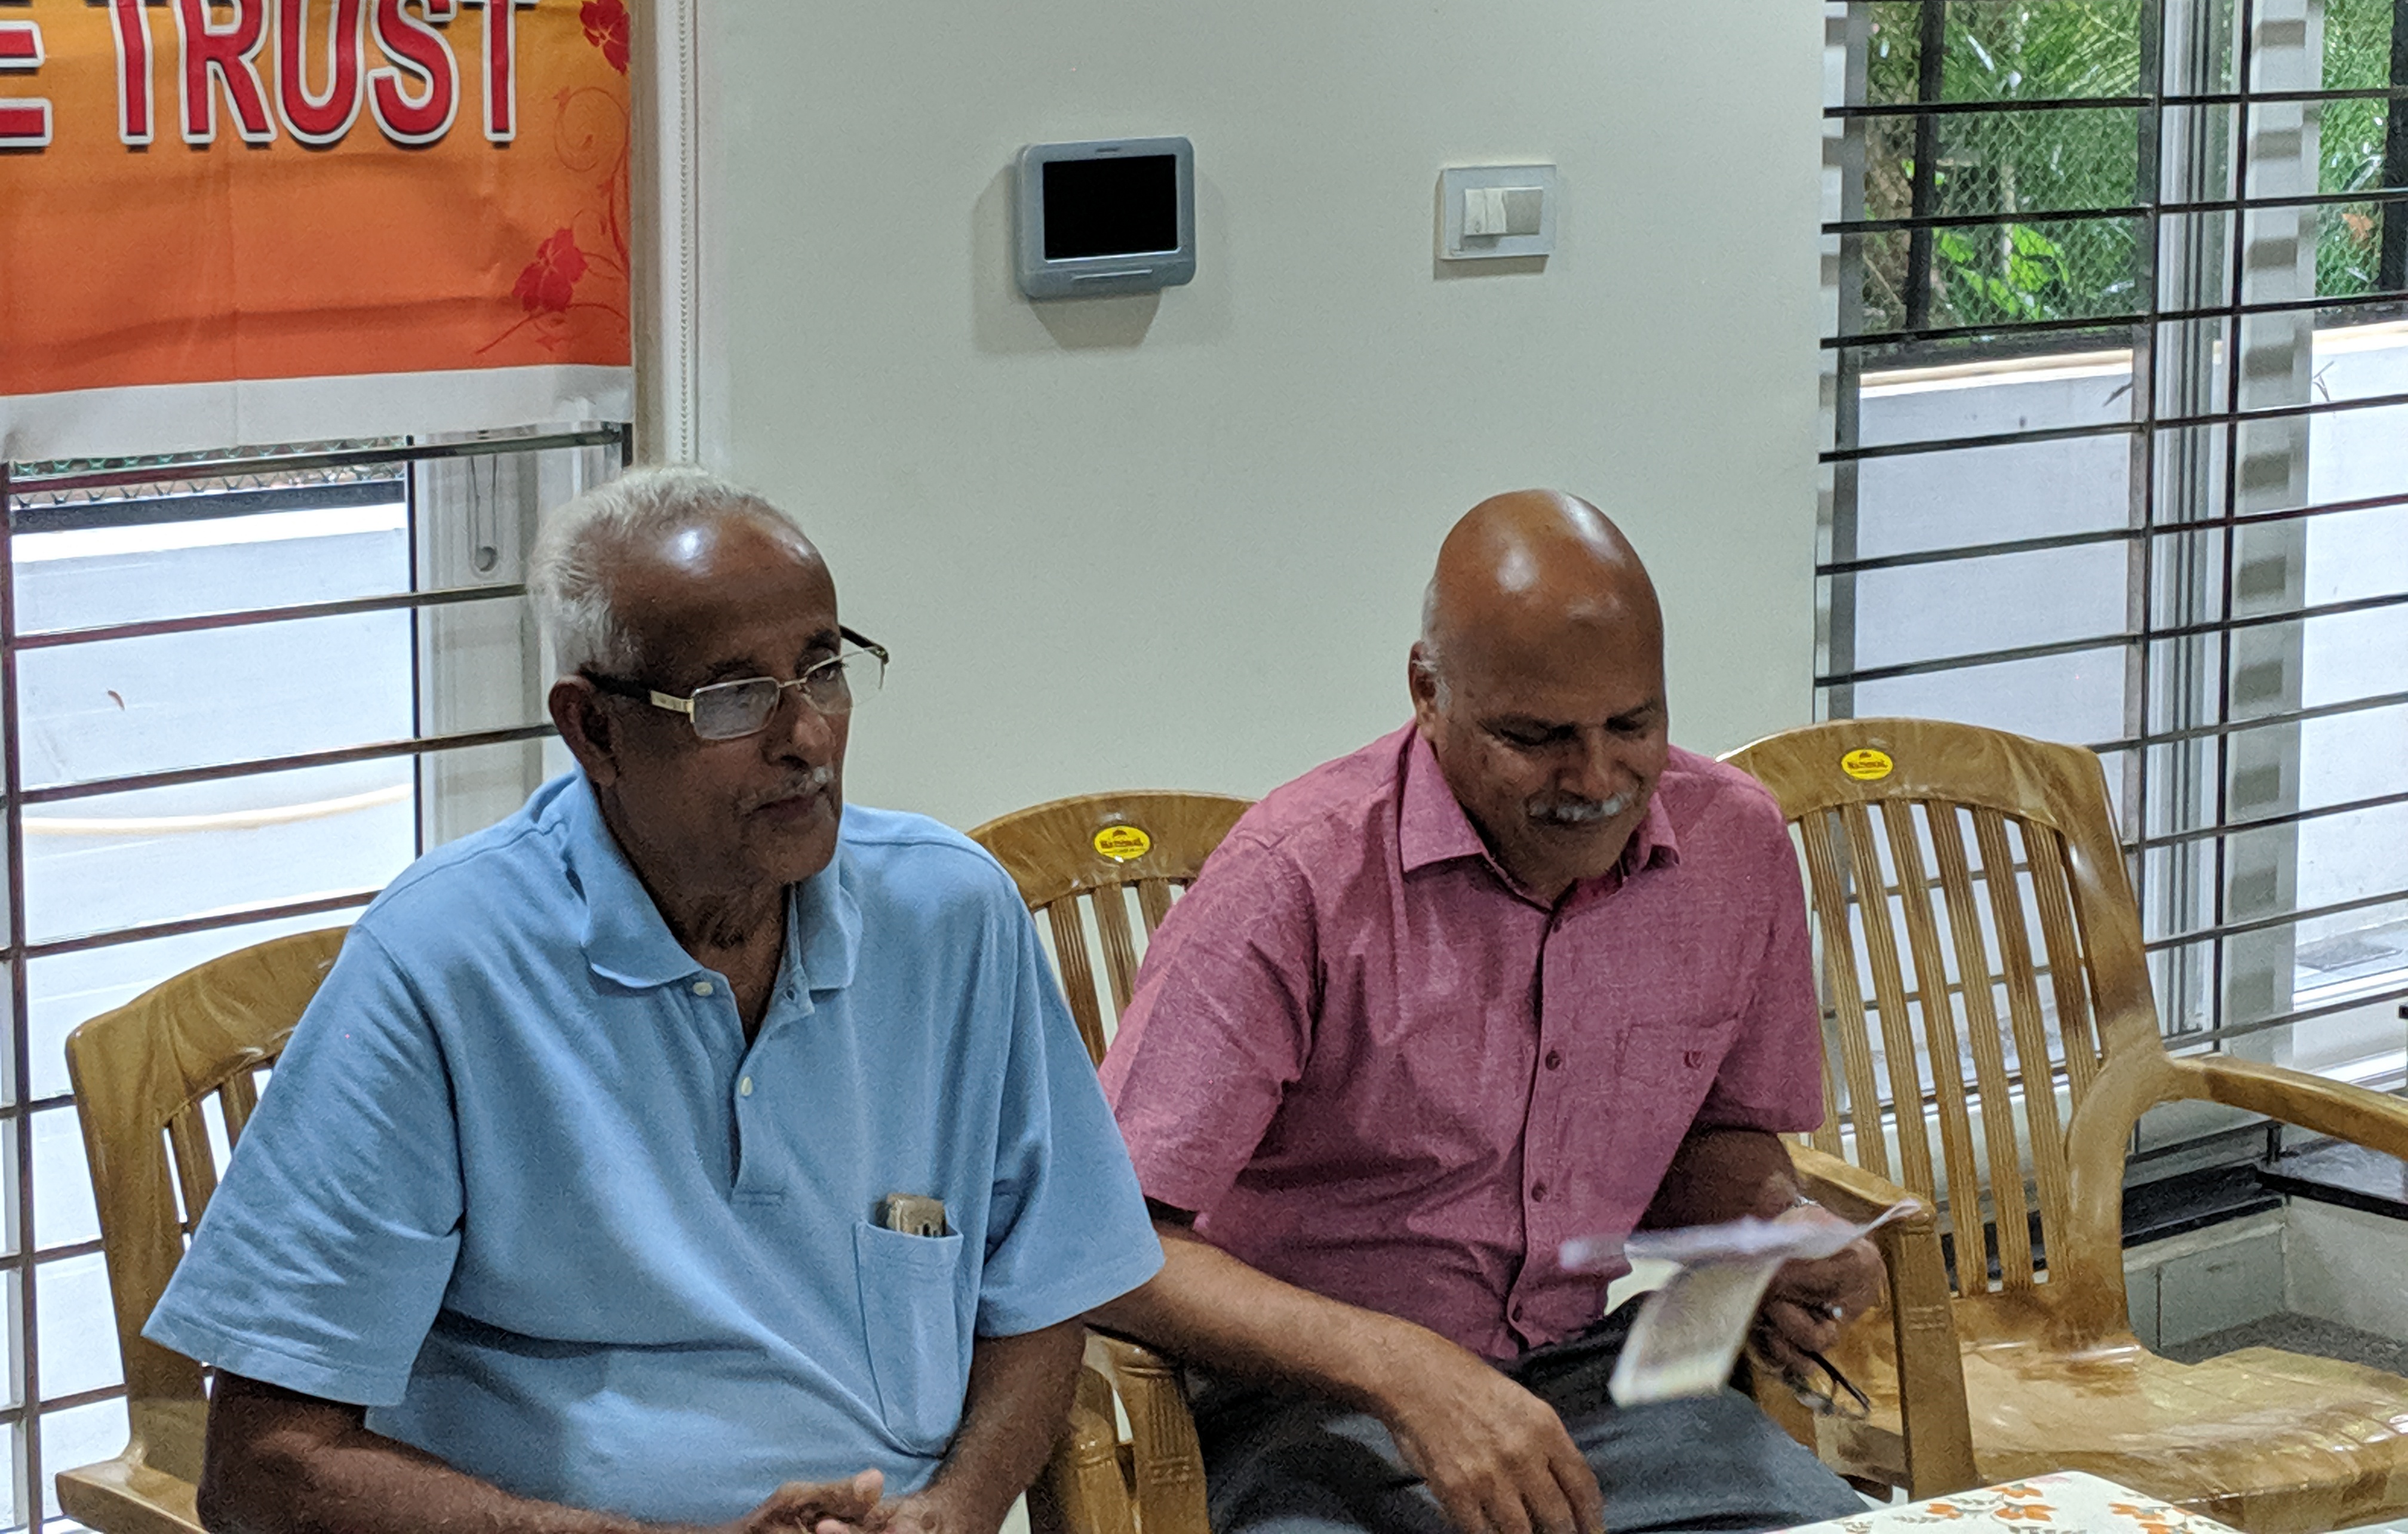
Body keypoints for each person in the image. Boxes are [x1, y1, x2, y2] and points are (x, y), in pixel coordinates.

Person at [148, 466, 1162, 1534]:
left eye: (823, 671)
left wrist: (955, 1509)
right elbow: (265, 1466)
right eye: (733, 699)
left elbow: (1044, 1289)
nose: (808, 738)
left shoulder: (951, 918)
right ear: (594, 731)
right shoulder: (443, 963)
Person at [1094, 490, 1878, 1534]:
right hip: (1307, 1409)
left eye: (1633, 725)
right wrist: (1404, 1371)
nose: (1596, 778)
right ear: (1428, 692)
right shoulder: (1298, 880)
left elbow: (1718, 1139)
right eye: (1536, 737)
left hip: (1591, 1385)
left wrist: (1772, 1228)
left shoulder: (1731, 847)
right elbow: (1110, 1247)